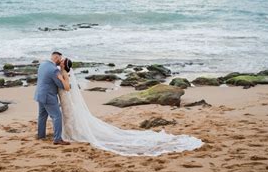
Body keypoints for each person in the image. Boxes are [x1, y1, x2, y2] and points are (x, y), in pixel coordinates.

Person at [55, 56, 204, 156]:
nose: (60, 61)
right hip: (65, 98)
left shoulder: (64, 74)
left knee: (70, 115)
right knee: (69, 115)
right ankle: (68, 132)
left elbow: (67, 87)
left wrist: (60, 79)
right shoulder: (61, 71)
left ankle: (70, 134)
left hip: (66, 97)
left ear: (64, 65)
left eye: (61, 61)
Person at [33, 51, 71, 145]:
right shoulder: (54, 70)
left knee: (42, 115)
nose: (60, 61)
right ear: (56, 58)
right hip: (48, 96)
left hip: (40, 94)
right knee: (57, 116)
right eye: (60, 59)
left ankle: (41, 135)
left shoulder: (43, 64)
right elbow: (62, 86)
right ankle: (57, 139)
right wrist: (63, 77)